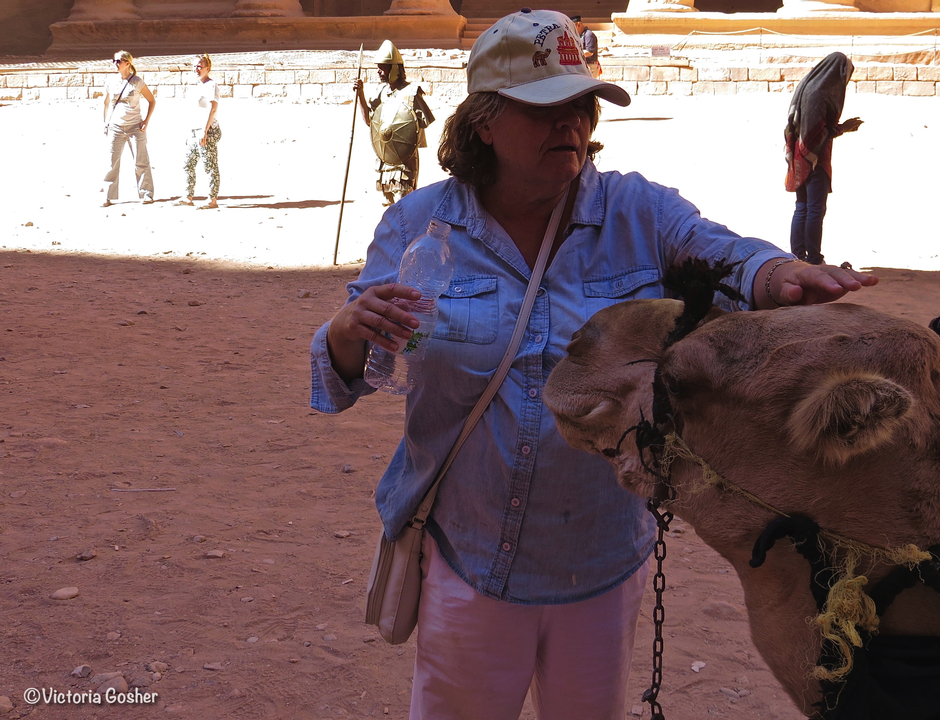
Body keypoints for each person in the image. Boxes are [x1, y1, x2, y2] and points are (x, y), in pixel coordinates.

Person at [311, 10, 877, 719]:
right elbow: (342, 374)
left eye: (582, 105)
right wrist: (346, 332)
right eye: (546, 107)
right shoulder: (419, 223)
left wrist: (780, 274)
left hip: (603, 565)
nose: (571, 125)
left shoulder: (636, 211)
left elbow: (726, 256)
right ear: (484, 121)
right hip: (471, 559)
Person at [785, 51, 863, 265]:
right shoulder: (820, 94)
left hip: (798, 157)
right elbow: (816, 135)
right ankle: (813, 257)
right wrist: (842, 129)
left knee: (802, 206)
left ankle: (797, 256)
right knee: (815, 209)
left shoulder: (807, 85)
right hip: (813, 159)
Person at [353, 40, 434, 206]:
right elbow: (370, 121)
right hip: (385, 160)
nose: (379, 71)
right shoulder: (381, 93)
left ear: (395, 68)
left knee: (404, 206)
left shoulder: (411, 93)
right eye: (378, 67)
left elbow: (419, 127)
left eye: (383, 67)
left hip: (405, 163)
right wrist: (361, 94)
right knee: (389, 208)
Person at [102, 50, 156, 207]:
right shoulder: (111, 82)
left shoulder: (137, 81)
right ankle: (108, 195)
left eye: (119, 61)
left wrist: (146, 120)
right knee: (112, 161)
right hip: (116, 127)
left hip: (134, 126)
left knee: (141, 161)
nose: (116, 64)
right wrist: (106, 122)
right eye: (114, 61)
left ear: (128, 63)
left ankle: (147, 194)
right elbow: (107, 103)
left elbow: (152, 100)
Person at [175, 53, 221, 210]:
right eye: (194, 66)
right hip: (195, 130)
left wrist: (205, 130)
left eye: (199, 66)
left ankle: (212, 199)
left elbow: (212, 107)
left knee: (209, 165)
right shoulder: (198, 86)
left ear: (207, 68)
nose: (196, 69)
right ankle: (188, 196)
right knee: (188, 163)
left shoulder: (211, 85)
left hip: (207, 130)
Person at [571, 15, 600, 79]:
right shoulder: (578, 36)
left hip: (590, 66)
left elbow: (589, 52)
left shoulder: (589, 35)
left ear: (578, 25)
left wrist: (574, 54)